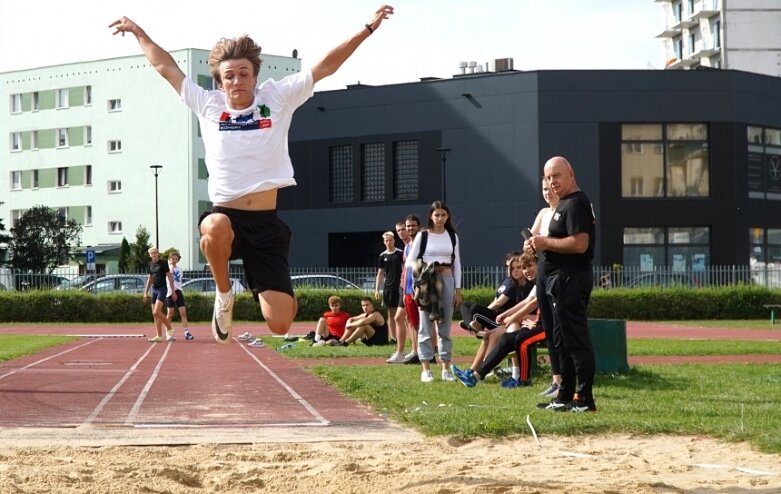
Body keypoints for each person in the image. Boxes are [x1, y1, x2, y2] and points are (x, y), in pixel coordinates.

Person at [110, 5, 395, 345]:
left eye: (244, 73)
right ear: (219, 81)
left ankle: (269, 289)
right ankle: (224, 294)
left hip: (265, 224)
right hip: (226, 216)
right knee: (213, 226)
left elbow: (325, 66)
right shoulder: (208, 104)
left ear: (254, 77)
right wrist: (140, 33)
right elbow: (165, 67)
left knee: (280, 324)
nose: (237, 81)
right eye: (229, 75)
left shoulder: (276, 98)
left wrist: (367, 29)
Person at [527, 156, 597, 412]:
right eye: (548, 177)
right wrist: (538, 243)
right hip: (558, 281)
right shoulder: (564, 203)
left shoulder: (577, 202)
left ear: (571, 173)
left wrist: (546, 243)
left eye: (556, 175)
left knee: (576, 340)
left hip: (571, 279)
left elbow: (580, 244)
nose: (552, 182)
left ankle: (585, 398)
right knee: (560, 340)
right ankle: (564, 396)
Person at [453, 252, 544, 388]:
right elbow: (527, 302)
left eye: (528, 266)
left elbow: (533, 303)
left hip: (549, 326)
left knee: (517, 339)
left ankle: (521, 378)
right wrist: (506, 315)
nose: (525, 271)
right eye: (523, 267)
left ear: (539, 265)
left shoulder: (540, 280)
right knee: (504, 337)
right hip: (528, 322)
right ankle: (475, 375)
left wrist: (514, 317)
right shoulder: (529, 283)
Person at [405, 201, 462, 383]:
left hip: (447, 280)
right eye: (436, 215)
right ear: (431, 216)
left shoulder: (452, 236)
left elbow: (457, 263)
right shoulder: (423, 235)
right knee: (425, 326)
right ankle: (426, 368)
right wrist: (427, 269)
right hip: (427, 282)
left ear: (447, 216)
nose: (440, 218)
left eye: (443, 215)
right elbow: (409, 261)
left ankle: (446, 367)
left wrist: (457, 289)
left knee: (444, 326)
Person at [459, 251, 527, 367]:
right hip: (506, 319)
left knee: (479, 315)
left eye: (519, 267)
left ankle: (483, 370)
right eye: (512, 267)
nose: (515, 270)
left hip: (508, 321)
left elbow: (500, 303)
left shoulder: (519, 285)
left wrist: (487, 312)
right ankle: (473, 371)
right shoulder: (510, 282)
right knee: (464, 305)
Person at [529, 178, 563, 399]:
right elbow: (533, 237)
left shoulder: (566, 211)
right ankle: (556, 379)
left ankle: (567, 380)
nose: (547, 192)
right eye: (543, 189)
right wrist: (528, 244)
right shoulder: (542, 213)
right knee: (549, 327)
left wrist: (545, 242)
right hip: (543, 271)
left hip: (558, 272)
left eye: (551, 189)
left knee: (560, 327)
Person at [376, 231, 404, 362]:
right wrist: (377, 289)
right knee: (391, 313)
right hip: (388, 288)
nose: (388, 242)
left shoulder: (400, 253)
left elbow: (405, 268)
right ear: (384, 242)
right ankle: (394, 338)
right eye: (386, 240)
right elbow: (380, 273)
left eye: (390, 240)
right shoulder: (382, 256)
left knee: (403, 314)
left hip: (400, 288)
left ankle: (404, 337)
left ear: (394, 240)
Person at [143, 247, 176, 343]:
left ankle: (169, 328)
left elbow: (170, 277)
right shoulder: (150, 265)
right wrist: (145, 292)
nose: (153, 254)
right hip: (154, 289)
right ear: (149, 255)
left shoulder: (164, 263)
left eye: (155, 253)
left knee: (156, 311)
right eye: (151, 253)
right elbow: (150, 279)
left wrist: (173, 291)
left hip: (162, 289)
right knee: (155, 315)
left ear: (158, 254)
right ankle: (159, 336)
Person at [165, 250, 193, 340]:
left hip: (179, 291)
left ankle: (186, 332)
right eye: (172, 258)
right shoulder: (167, 269)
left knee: (183, 312)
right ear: (169, 259)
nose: (174, 260)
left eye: (176, 259)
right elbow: (169, 278)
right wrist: (171, 266)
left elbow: (177, 280)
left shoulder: (180, 270)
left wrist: (176, 291)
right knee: (170, 313)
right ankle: (168, 333)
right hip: (170, 292)